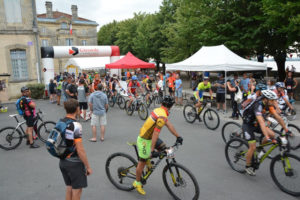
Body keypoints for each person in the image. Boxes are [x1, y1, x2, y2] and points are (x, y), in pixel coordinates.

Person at [133, 96, 183, 195]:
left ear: (162, 104)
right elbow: (156, 133)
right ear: (171, 106)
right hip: (144, 139)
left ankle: (148, 162)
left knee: (165, 149)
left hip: (150, 137)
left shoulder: (160, 111)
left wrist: (178, 136)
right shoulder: (161, 116)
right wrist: (152, 150)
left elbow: (169, 125)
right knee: (141, 163)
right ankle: (137, 182)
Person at [59, 99, 92, 200]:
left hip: (63, 161)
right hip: (74, 163)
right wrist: (88, 166)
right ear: (77, 109)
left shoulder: (61, 121)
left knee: (69, 187)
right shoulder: (75, 125)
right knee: (77, 191)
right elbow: (80, 149)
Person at [241, 90, 279, 176]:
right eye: (272, 100)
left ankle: (260, 148)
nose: (273, 102)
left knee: (272, 134)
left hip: (256, 123)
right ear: (266, 99)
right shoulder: (258, 105)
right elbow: (262, 122)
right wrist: (266, 136)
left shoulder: (267, 104)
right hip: (248, 125)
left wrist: (286, 129)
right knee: (252, 147)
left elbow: (277, 116)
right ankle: (247, 166)